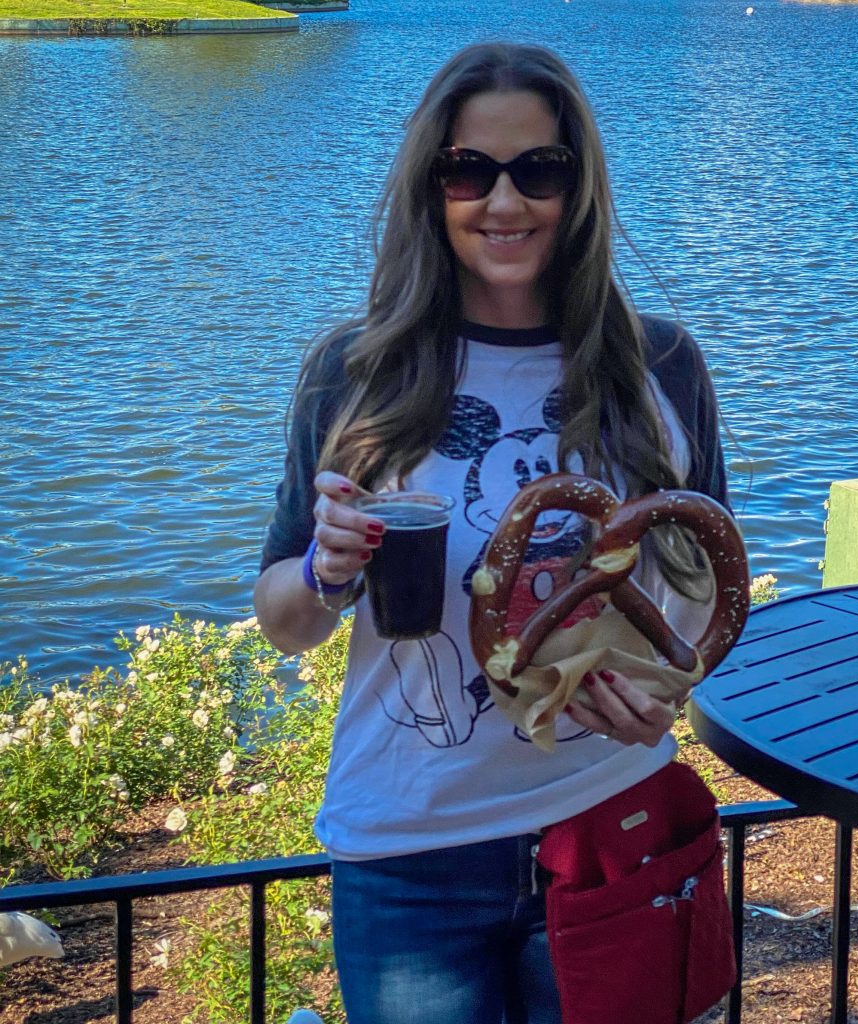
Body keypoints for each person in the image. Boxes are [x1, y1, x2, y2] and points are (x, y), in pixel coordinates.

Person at [254, 41, 730, 1024]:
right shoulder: (355, 372)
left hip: (612, 822)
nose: (503, 202)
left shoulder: (663, 365)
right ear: (431, 187)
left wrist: (660, 695)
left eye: (538, 170)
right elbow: (284, 620)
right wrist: (324, 566)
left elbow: (711, 587)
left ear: (580, 185)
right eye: (469, 169)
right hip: (410, 852)